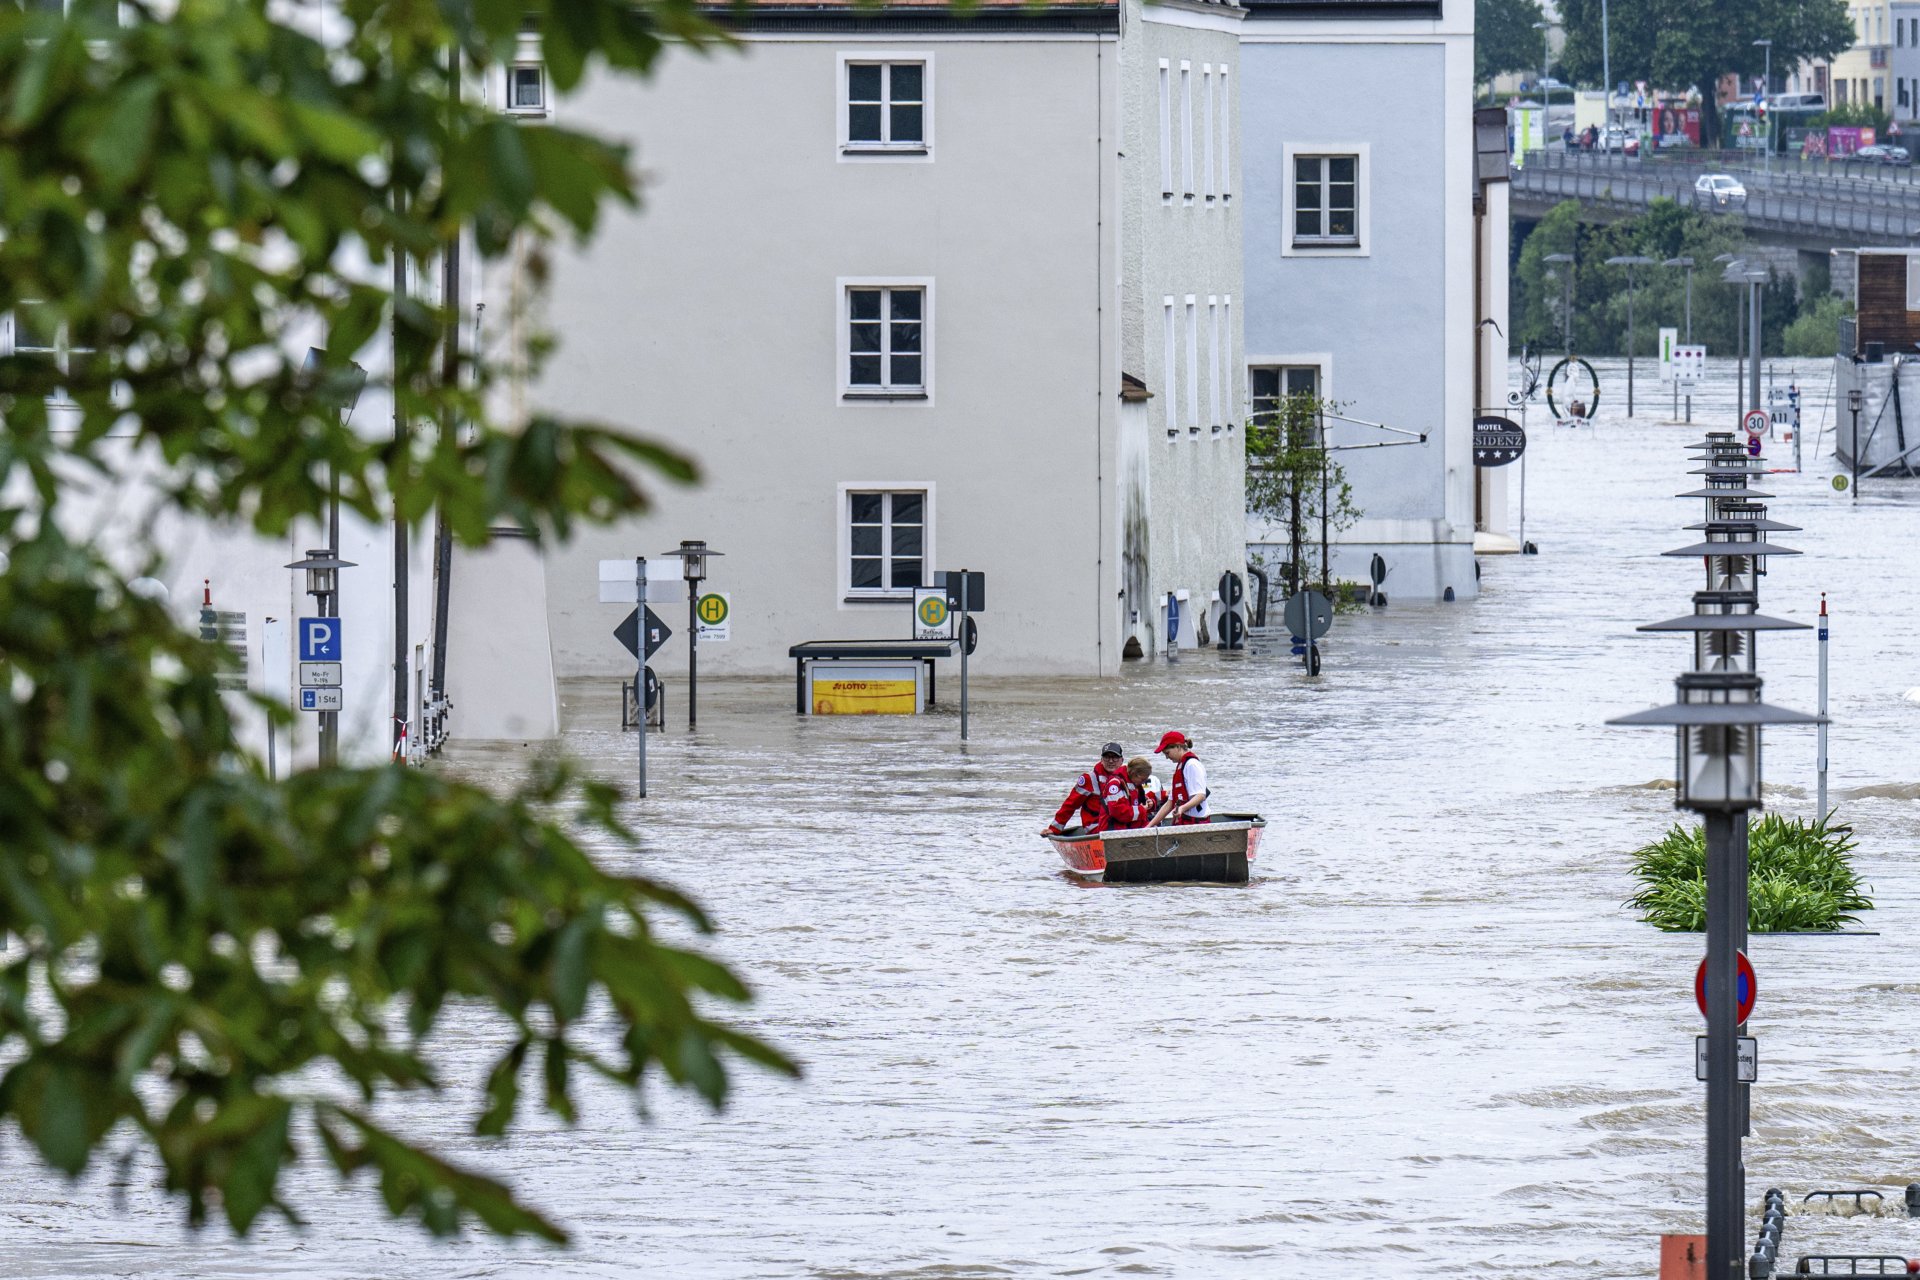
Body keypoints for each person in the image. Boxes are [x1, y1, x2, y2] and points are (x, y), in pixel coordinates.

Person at [1048, 742, 1129, 834]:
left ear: (1122, 760)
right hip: (1095, 826)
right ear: (1101, 760)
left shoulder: (1128, 778)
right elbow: (1070, 804)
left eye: (1114, 757)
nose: (1110, 761)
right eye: (1107, 757)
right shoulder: (1089, 779)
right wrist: (1054, 829)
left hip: (1119, 824)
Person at [1151, 730, 1211, 825]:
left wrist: (1182, 808)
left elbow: (1200, 795)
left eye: (1167, 753)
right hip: (1185, 820)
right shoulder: (1181, 766)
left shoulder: (1192, 765)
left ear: (1178, 747)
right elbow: (1170, 803)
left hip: (1196, 823)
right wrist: (1150, 826)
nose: (1167, 757)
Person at [1122, 756, 1162, 829]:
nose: (1143, 782)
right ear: (1135, 774)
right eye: (1143, 779)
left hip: (1139, 824)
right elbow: (1120, 813)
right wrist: (1141, 809)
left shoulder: (1136, 785)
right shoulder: (1119, 784)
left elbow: (1138, 803)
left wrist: (1150, 803)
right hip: (1127, 828)